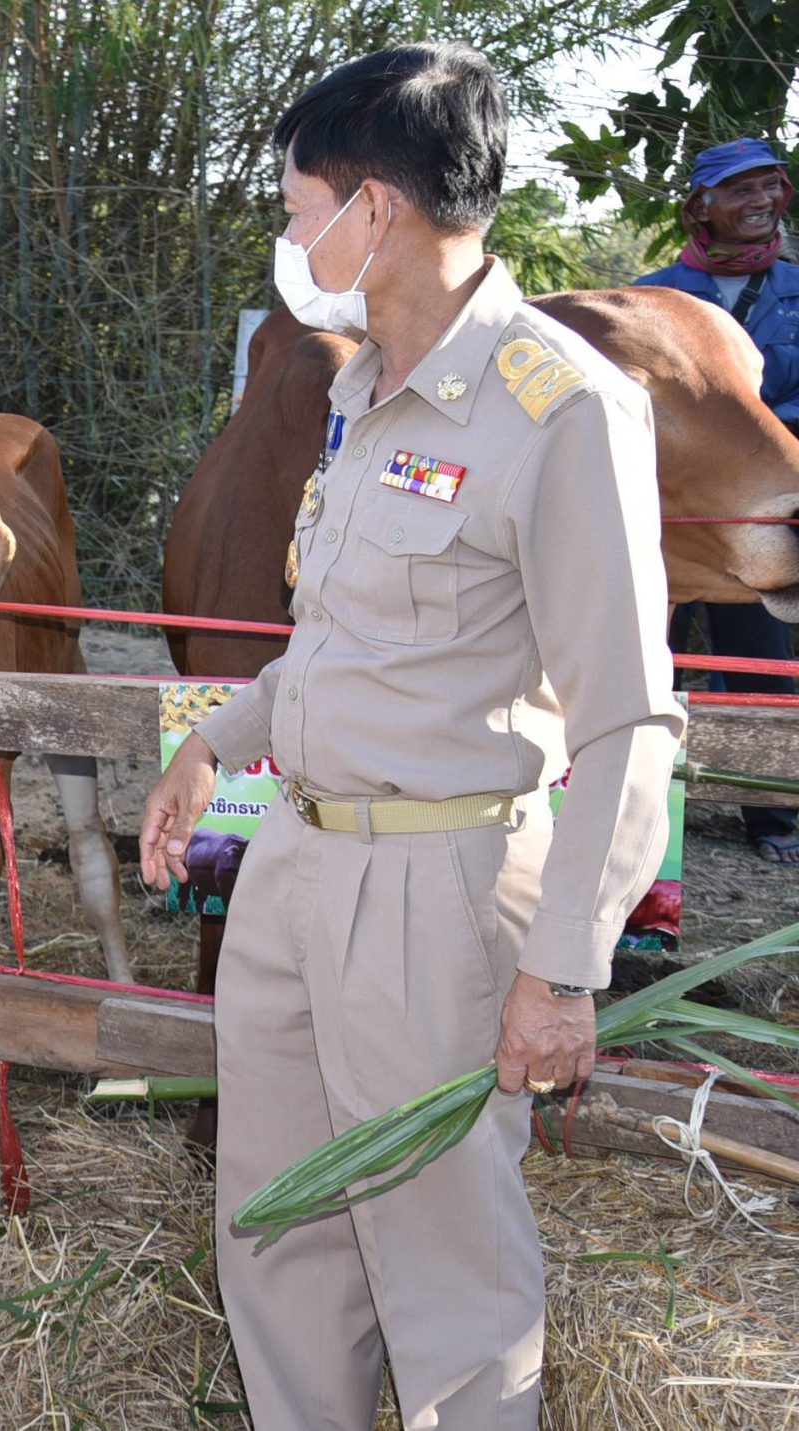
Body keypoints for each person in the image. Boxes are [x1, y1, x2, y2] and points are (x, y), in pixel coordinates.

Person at [138, 45, 680, 1430]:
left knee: (444, 1268)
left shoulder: (559, 408)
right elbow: (339, 639)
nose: (288, 235)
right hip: (296, 865)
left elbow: (626, 716)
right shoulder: (359, 388)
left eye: (293, 202)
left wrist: (564, 967)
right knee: (280, 1233)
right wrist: (219, 741)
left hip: (437, 892)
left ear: (371, 211)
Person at [636, 137, 798, 862]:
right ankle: (641, 809)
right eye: (741, 190)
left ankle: (771, 820)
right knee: (644, 658)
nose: (761, 201)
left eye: (771, 186)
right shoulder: (648, 297)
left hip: (766, 511)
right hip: (668, 512)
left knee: (762, 660)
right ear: (701, 206)